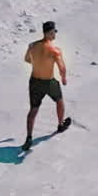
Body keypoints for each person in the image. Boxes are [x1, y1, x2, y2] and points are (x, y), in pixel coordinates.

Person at [22, 20, 70, 152]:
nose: (55, 34)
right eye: (54, 32)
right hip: (49, 82)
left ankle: (29, 137)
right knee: (59, 101)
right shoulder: (55, 50)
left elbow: (27, 59)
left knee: (33, 110)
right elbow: (62, 67)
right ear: (50, 33)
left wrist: (37, 59)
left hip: (34, 82)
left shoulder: (33, 46)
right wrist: (64, 78)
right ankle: (60, 125)